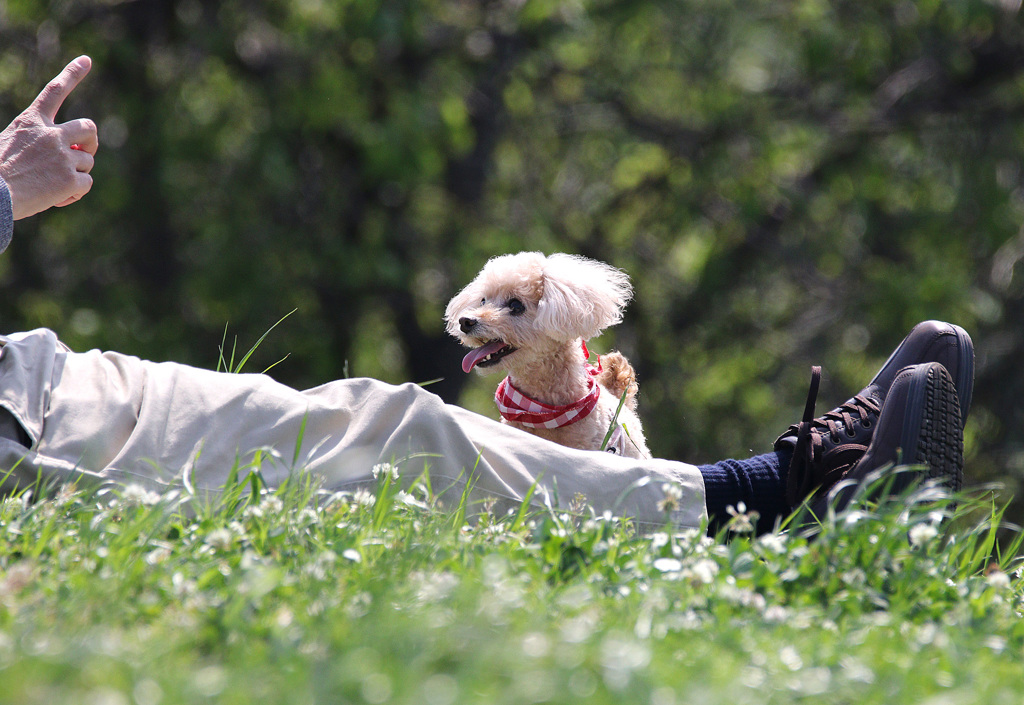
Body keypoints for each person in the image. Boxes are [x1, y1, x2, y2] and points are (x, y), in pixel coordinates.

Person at [0, 57, 973, 534]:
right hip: (22, 430)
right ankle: (773, 502)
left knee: (355, 419)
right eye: (487, 306)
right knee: (391, 444)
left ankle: (774, 490)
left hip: (34, 372)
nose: (485, 323)